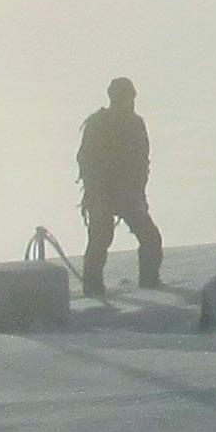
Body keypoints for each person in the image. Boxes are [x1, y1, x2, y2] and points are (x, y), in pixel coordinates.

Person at [76, 75, 162, 295]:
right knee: (101, 239)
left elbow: (142, 161)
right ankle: (93, 288)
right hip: (103, 194)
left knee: (150, 237)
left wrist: (138, 191)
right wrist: (96, 191)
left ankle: (149, 284)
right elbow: (85, 159)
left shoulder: (135, 124)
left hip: (127, 194)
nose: (128, 101)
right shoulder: (98, 123)